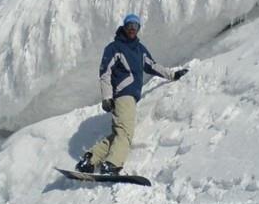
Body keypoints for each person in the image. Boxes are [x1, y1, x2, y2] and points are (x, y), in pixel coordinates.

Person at [76, 14, 188, 174]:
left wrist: (173, 75)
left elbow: (153, 66)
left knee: (119, 134)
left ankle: (90, 159)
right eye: (129, 25)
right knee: (126, 134)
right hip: (123, 95)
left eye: (135, 26)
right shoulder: (115, 47)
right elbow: (105, 73)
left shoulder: (139, 50)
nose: (132, 29)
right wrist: (107, 97)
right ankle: (112, 164)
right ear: (124, 26)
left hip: (130, 98)